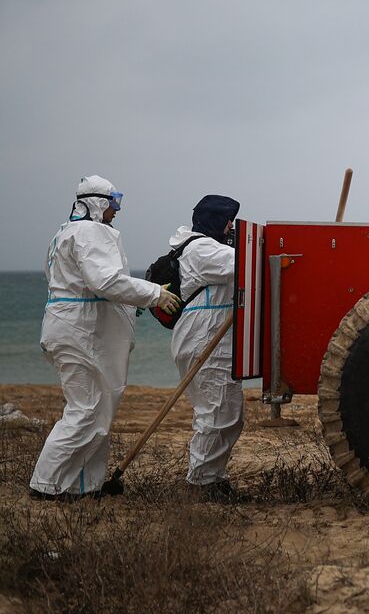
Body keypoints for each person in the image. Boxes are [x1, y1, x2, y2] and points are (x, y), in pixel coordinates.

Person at [31, 176, 182, 499]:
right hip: (82, 334)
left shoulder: (64, 232)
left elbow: (81, 285)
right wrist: (153, 294)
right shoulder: (90, 232)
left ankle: (84, 485)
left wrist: (127, 304)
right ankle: (45, 484)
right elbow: (105, 281)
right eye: (113, 202)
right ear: (98, 203)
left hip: (75, 329)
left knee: (97, 410)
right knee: (85, 408)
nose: (116, 209)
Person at [169, 194, 243, 500]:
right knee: (217, 411)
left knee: (224, 412)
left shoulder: (204, 246)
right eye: (229, 220)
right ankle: (201, 484)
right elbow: (242, 264)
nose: (231, 227)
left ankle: (212, 478)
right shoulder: (201, 248)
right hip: (204, 337)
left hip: (205, 336)